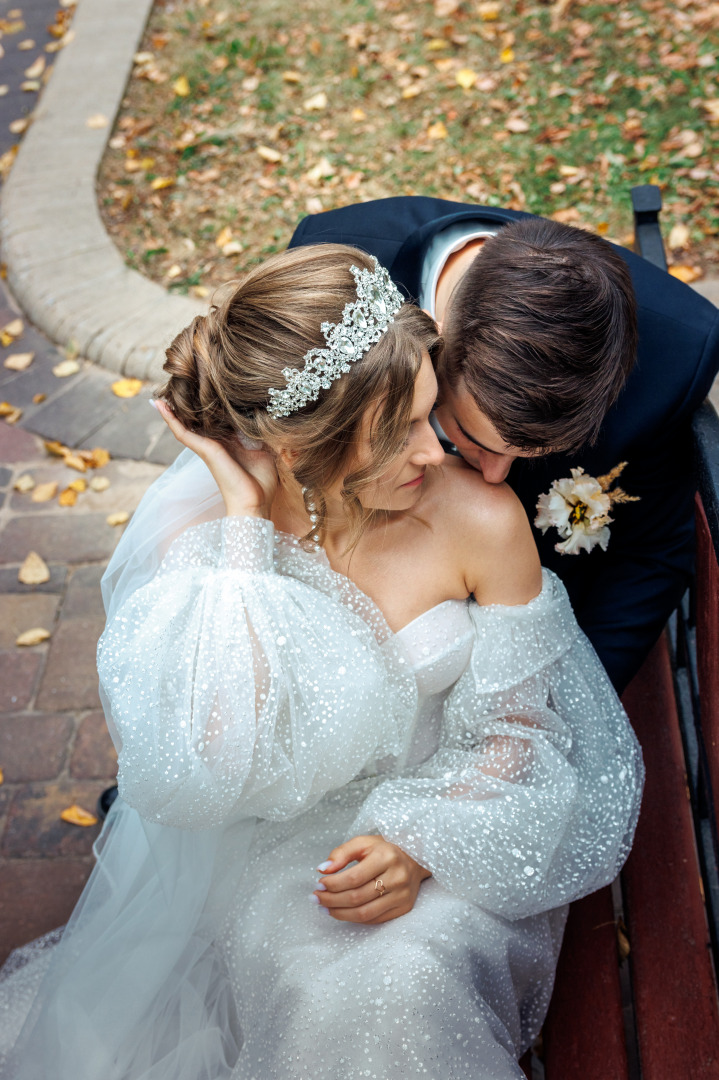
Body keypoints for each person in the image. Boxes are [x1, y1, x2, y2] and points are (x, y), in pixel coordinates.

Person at [0, 245, 643, 1080]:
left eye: (426, 412)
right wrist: (243, 525)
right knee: (304, 971)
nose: (433, 449)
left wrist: (420, 843)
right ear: (306, 445)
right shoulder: (213, 552)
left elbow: (520, 725)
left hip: (458, 831)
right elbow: (217, 766)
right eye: (399, 431)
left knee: (401, 981)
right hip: (275, 860)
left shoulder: (480, 519)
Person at [289, 201, 719, 692]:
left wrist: (572, 705)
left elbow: (652, 551)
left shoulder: (676, 353)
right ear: (434, 341)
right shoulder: (332, 278)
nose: (495, 476)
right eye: (471, 437)